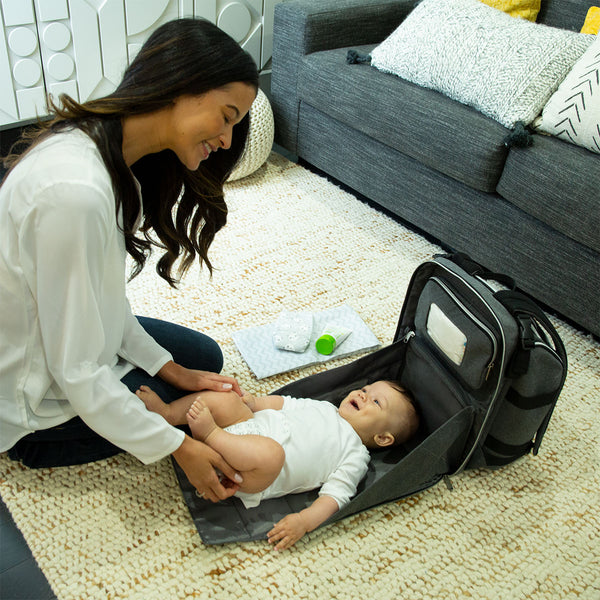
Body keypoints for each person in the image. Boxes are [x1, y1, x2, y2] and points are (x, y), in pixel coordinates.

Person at [0, 18, 259, 502]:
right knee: (190, 400)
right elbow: (75, 369)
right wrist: (176, 443)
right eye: (226, 117)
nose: (227, 139)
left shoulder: (112, 156)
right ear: (182, 86)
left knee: (201, 362)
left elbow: (104, 300)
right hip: (28, 396)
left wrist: (168, 370)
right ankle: (39, 441)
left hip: (62, 338)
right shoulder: (75, 192)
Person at [136, 380, 420, 550]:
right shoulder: (325, 408)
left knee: (273, 453)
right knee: (227, 400)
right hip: (244, 428)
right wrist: (255, 402)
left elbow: (336, 496)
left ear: (383, 438)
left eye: (374, 401)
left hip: (252, 474)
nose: (361, 394)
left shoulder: (355, 455)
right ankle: (169, 413)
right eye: (364, 389)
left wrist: (304, 522)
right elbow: (286, 403)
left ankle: (210, 436)